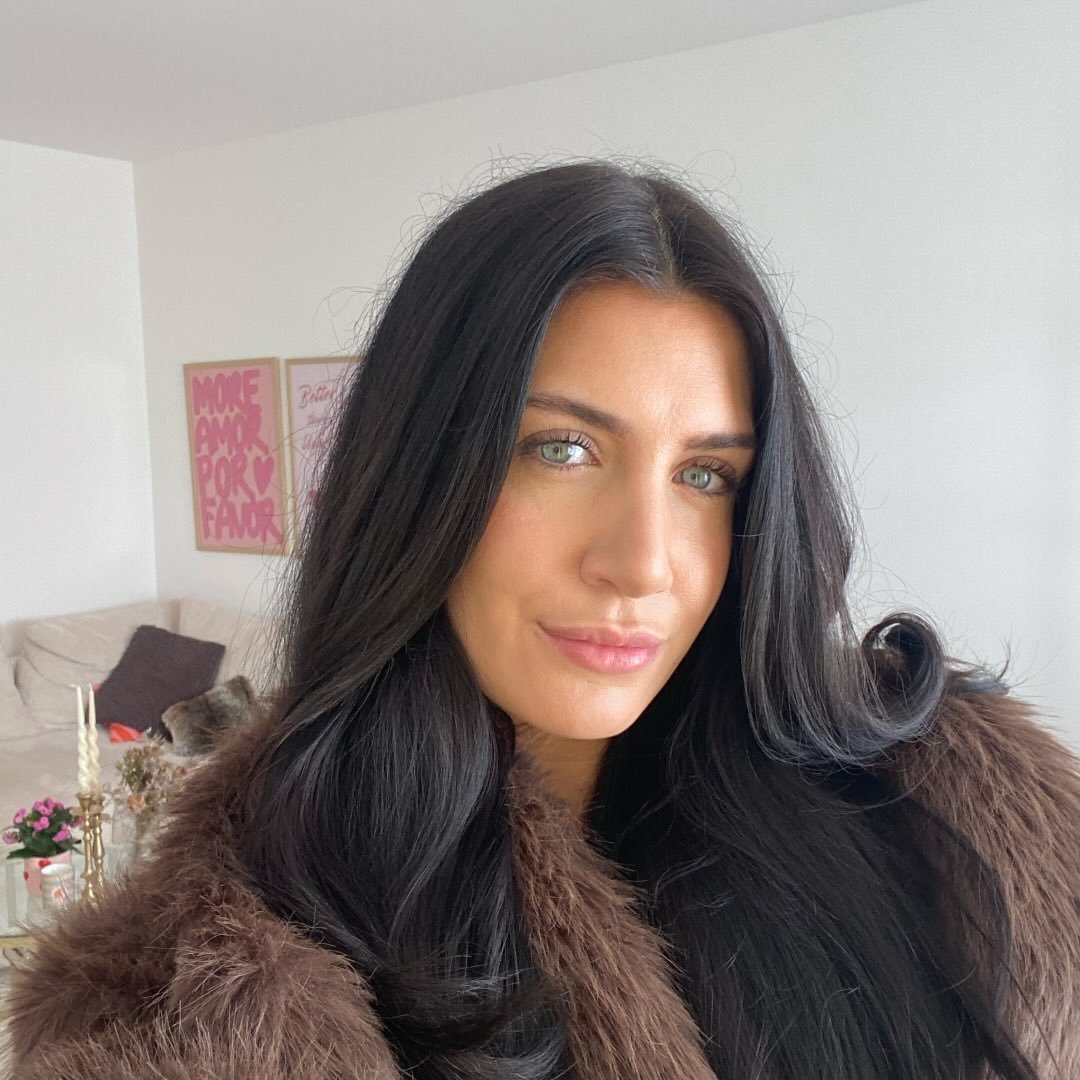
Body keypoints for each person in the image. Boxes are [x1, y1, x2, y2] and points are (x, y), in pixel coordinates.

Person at [4, 161, 1079, 1079]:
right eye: (562, 449)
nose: (643, 563)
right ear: (419, 478)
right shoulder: (225, 977)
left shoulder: (936, 808)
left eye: (705, 474)